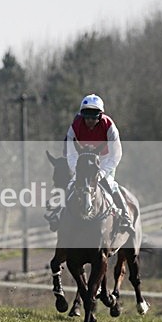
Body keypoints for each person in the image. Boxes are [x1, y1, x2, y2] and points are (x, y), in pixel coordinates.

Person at [45, 93, 134, 234]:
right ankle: (57, 214)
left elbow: (116, 154)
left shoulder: (109, 126)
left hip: (105, 160)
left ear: (100, 116)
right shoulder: (75, 126)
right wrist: (76, 171)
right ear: (82, 115)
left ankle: (125, 217)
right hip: (82, 161)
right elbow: (71, 153)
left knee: (111, 185)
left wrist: (102, 172)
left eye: (93, 117)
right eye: (86, 116)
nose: (90, 120)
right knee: (71, 184)